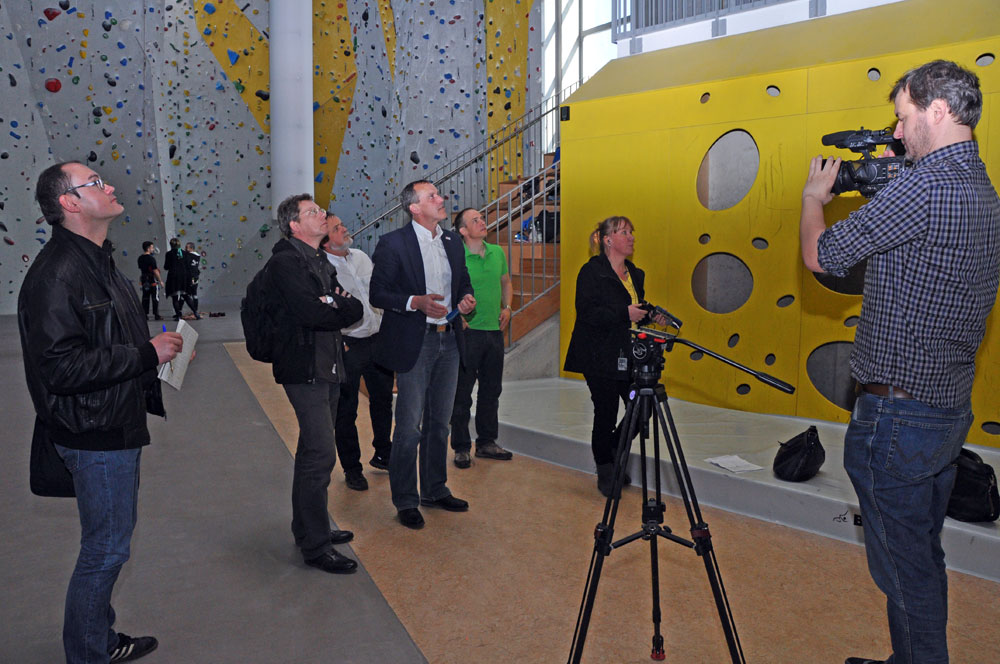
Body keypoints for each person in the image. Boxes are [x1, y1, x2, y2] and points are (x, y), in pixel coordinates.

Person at [799, 60, 999, 664]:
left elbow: (823, 255)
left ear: (937, 110)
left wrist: (815, 199)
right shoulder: (980, 185)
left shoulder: (922, 187)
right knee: (921, 556)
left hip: (896, 418)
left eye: (903, 116)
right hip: (944, 408)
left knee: (905, 574)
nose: (895, 131)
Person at [18, 161, 184, 664]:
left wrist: (159, 350)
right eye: (94, 183)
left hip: (110, 417)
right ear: (70, 203)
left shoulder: (97, 259)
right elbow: (59, 368)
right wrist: (144, 355)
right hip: (95, 431)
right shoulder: (58, 274)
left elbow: (113, 338)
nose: (109, 185)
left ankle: (98, 640)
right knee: (105, 551)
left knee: (106, 546)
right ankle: (90, 653)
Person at [369, 180, 476, 529]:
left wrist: (465, 299)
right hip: (415, 341)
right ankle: (405, 499)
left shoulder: (451, 241)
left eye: (438, 195)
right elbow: (378, 294)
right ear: (414, 207)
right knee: (409, 427)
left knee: (438, 424)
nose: (441, 199)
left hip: (449, 340)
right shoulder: (392, 243)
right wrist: (415, 302)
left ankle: (434, 488)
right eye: (432, 196)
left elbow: (461, 283)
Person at [267, 193, 364, 574]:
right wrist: (331, 304)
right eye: (313, 212)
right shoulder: (286, 263)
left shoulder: (319, 259)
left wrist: (332, 302)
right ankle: (316, 545)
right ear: (294, 225)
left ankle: (309, 526)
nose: (323, 215)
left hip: (329, 365)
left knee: (312, 450)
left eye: (321, 211)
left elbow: (352, 307)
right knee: (322, 454)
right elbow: (310, 311)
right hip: (304, 368)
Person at [564, 216, 664, 497]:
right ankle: (606, 469)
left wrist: (651, 315)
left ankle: (611, 448)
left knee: (642, 406)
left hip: (627, 353)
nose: (631, 237)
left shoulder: (635, 273)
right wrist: (625, 314)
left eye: (632, 231)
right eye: (624, 232)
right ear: (607, 240)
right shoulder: (591, 272)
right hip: (598, 355)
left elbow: (635, 312)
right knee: (606, 411)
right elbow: (587, 313)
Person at [322, 213, 395, 491]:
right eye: (337, 228)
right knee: (346, 409)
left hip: (378, 340)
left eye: (342, 224)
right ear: (327, 242)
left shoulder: (362, 257)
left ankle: (383, 453)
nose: (345, 229)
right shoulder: (323, 267)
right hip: (348, 344)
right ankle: (352, 468)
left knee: (383, 400)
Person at [449, 207, 514, 468]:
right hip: (467, 332)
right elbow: (448, 287)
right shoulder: (456, 255)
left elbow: (506, 282)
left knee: (491, 390)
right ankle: (461, 447)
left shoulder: (497, 252)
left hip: (494, 332)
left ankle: (487, 442)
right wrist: (457, 314)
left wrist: (508, 308)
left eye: (482, 218)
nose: (482, 222)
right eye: (475, 220)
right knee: (462, 393)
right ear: (463, 230)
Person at [162, 237, 196, 320]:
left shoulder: (169, 254)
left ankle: (178, 315)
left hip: (173, 277)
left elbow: (166, 267)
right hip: (184, 277)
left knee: (175, 297)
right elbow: (188, 266)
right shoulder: (185, 253)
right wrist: (191, 277)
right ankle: (196, 313)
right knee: (186, 295)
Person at [137, 240, 162, 321]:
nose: (153, 249)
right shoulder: (151, 259)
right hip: (152, 279)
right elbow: (155, 270)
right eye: (152, 247)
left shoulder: (140, 258)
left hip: (144, 279)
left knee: (145, 297)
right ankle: (156, 314)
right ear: (148, 248)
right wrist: (160, 280)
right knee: (155, 297)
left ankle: (145, 314)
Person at [182, 241, 202, 319]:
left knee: (187, 294)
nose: (186, 249)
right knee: (194, 294)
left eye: (187, 248)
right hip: (195, 276)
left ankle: (195, 311)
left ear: (191, 248)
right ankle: (195, 310)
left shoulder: (189, 256)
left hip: (191, 277)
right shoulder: (197, 255)